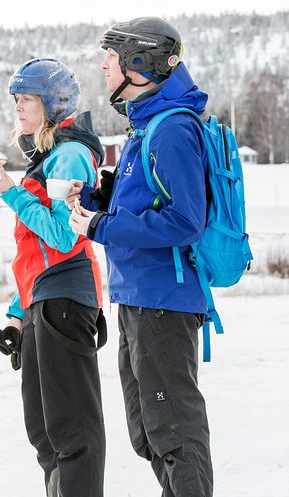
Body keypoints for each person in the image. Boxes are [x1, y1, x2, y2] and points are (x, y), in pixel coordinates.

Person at [67, 17, 214, 497]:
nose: (103, 67)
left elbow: (184, 219)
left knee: (174, 430)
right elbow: (144, 201)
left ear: (139, 62)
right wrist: (95, 198)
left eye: (110, 58)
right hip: (137, 296)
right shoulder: (144, 123)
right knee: (149, 432)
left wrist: (101, 227)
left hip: (164, 301)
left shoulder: (172, 129)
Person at [0, 58, 107, 497]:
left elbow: (60, 234)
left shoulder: (70, 154)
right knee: (44, 429)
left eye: (27, 99)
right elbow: (35, 254)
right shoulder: (50, 156)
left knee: (71, 429)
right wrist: (17, 314)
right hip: (43, 298)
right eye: (16, 99)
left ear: (53, 104)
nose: (18, 107)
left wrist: (11, 192)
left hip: (67, 295)